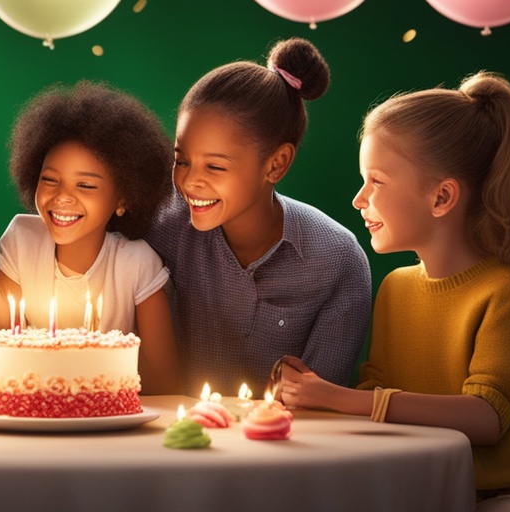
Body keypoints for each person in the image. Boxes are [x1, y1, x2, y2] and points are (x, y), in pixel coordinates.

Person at [278, 71, 510, 509]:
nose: (358, 198)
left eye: (377, 181)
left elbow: (485, 418)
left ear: (442, 197)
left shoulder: (506, 291)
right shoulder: (394, 288)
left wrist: (339, 398)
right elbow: (377, 395)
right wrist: (312, 392)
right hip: (415, 489)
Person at [144, 37, 372, 395]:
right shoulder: (158, 223)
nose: (189, 181)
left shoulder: (338, 260)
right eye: (181, 160)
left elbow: (324, 407)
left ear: (277, 164)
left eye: (215, 166)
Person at [0, 81, 182, 394]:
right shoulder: (22, 239)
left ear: (123, 199)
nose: (62, 198)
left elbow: (166, 378)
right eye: (50, 180)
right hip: (32, 407)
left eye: (85, 186)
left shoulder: (136, 263)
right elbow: (3, 339)